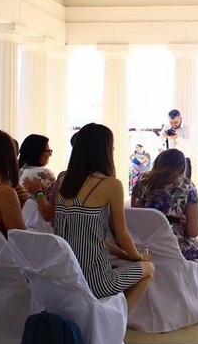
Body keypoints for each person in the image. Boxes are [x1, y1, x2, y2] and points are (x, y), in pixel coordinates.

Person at [54, 123, 154, 311]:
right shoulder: (111, 185)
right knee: (148, 269)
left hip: (64, 277)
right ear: (104, 150)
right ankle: (117, 322)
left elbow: (81, 232)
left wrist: (125, 254)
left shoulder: (62, 179)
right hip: (95, 281)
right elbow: (122, 235)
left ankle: (103, 319)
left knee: (124, 262)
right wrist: (139, 256)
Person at [132, 149, 198, 284]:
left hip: (143, 242)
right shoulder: (187, 186)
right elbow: (193, 232)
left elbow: (137, 214)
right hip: (172, 245)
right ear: (182, 168)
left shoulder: (142, 180)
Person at [18, 133, 55, 225]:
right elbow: (56, 201)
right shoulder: (45, 174)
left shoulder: (19, 172)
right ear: (40, 153)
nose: (50, 155)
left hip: (26, 223)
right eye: (49, 151)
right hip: (44, 225)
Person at [161, 109, 192, 179]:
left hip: (184, 159)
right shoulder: (167, 126)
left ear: (181, 119)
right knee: (170, 183)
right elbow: (161, 140)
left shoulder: (187, 127)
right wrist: (164, 136)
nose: (173, 125)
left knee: (185, 184)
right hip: (171, 159)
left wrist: (177, 138)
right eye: (171, 122)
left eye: (176, 122)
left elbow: (187, 144)